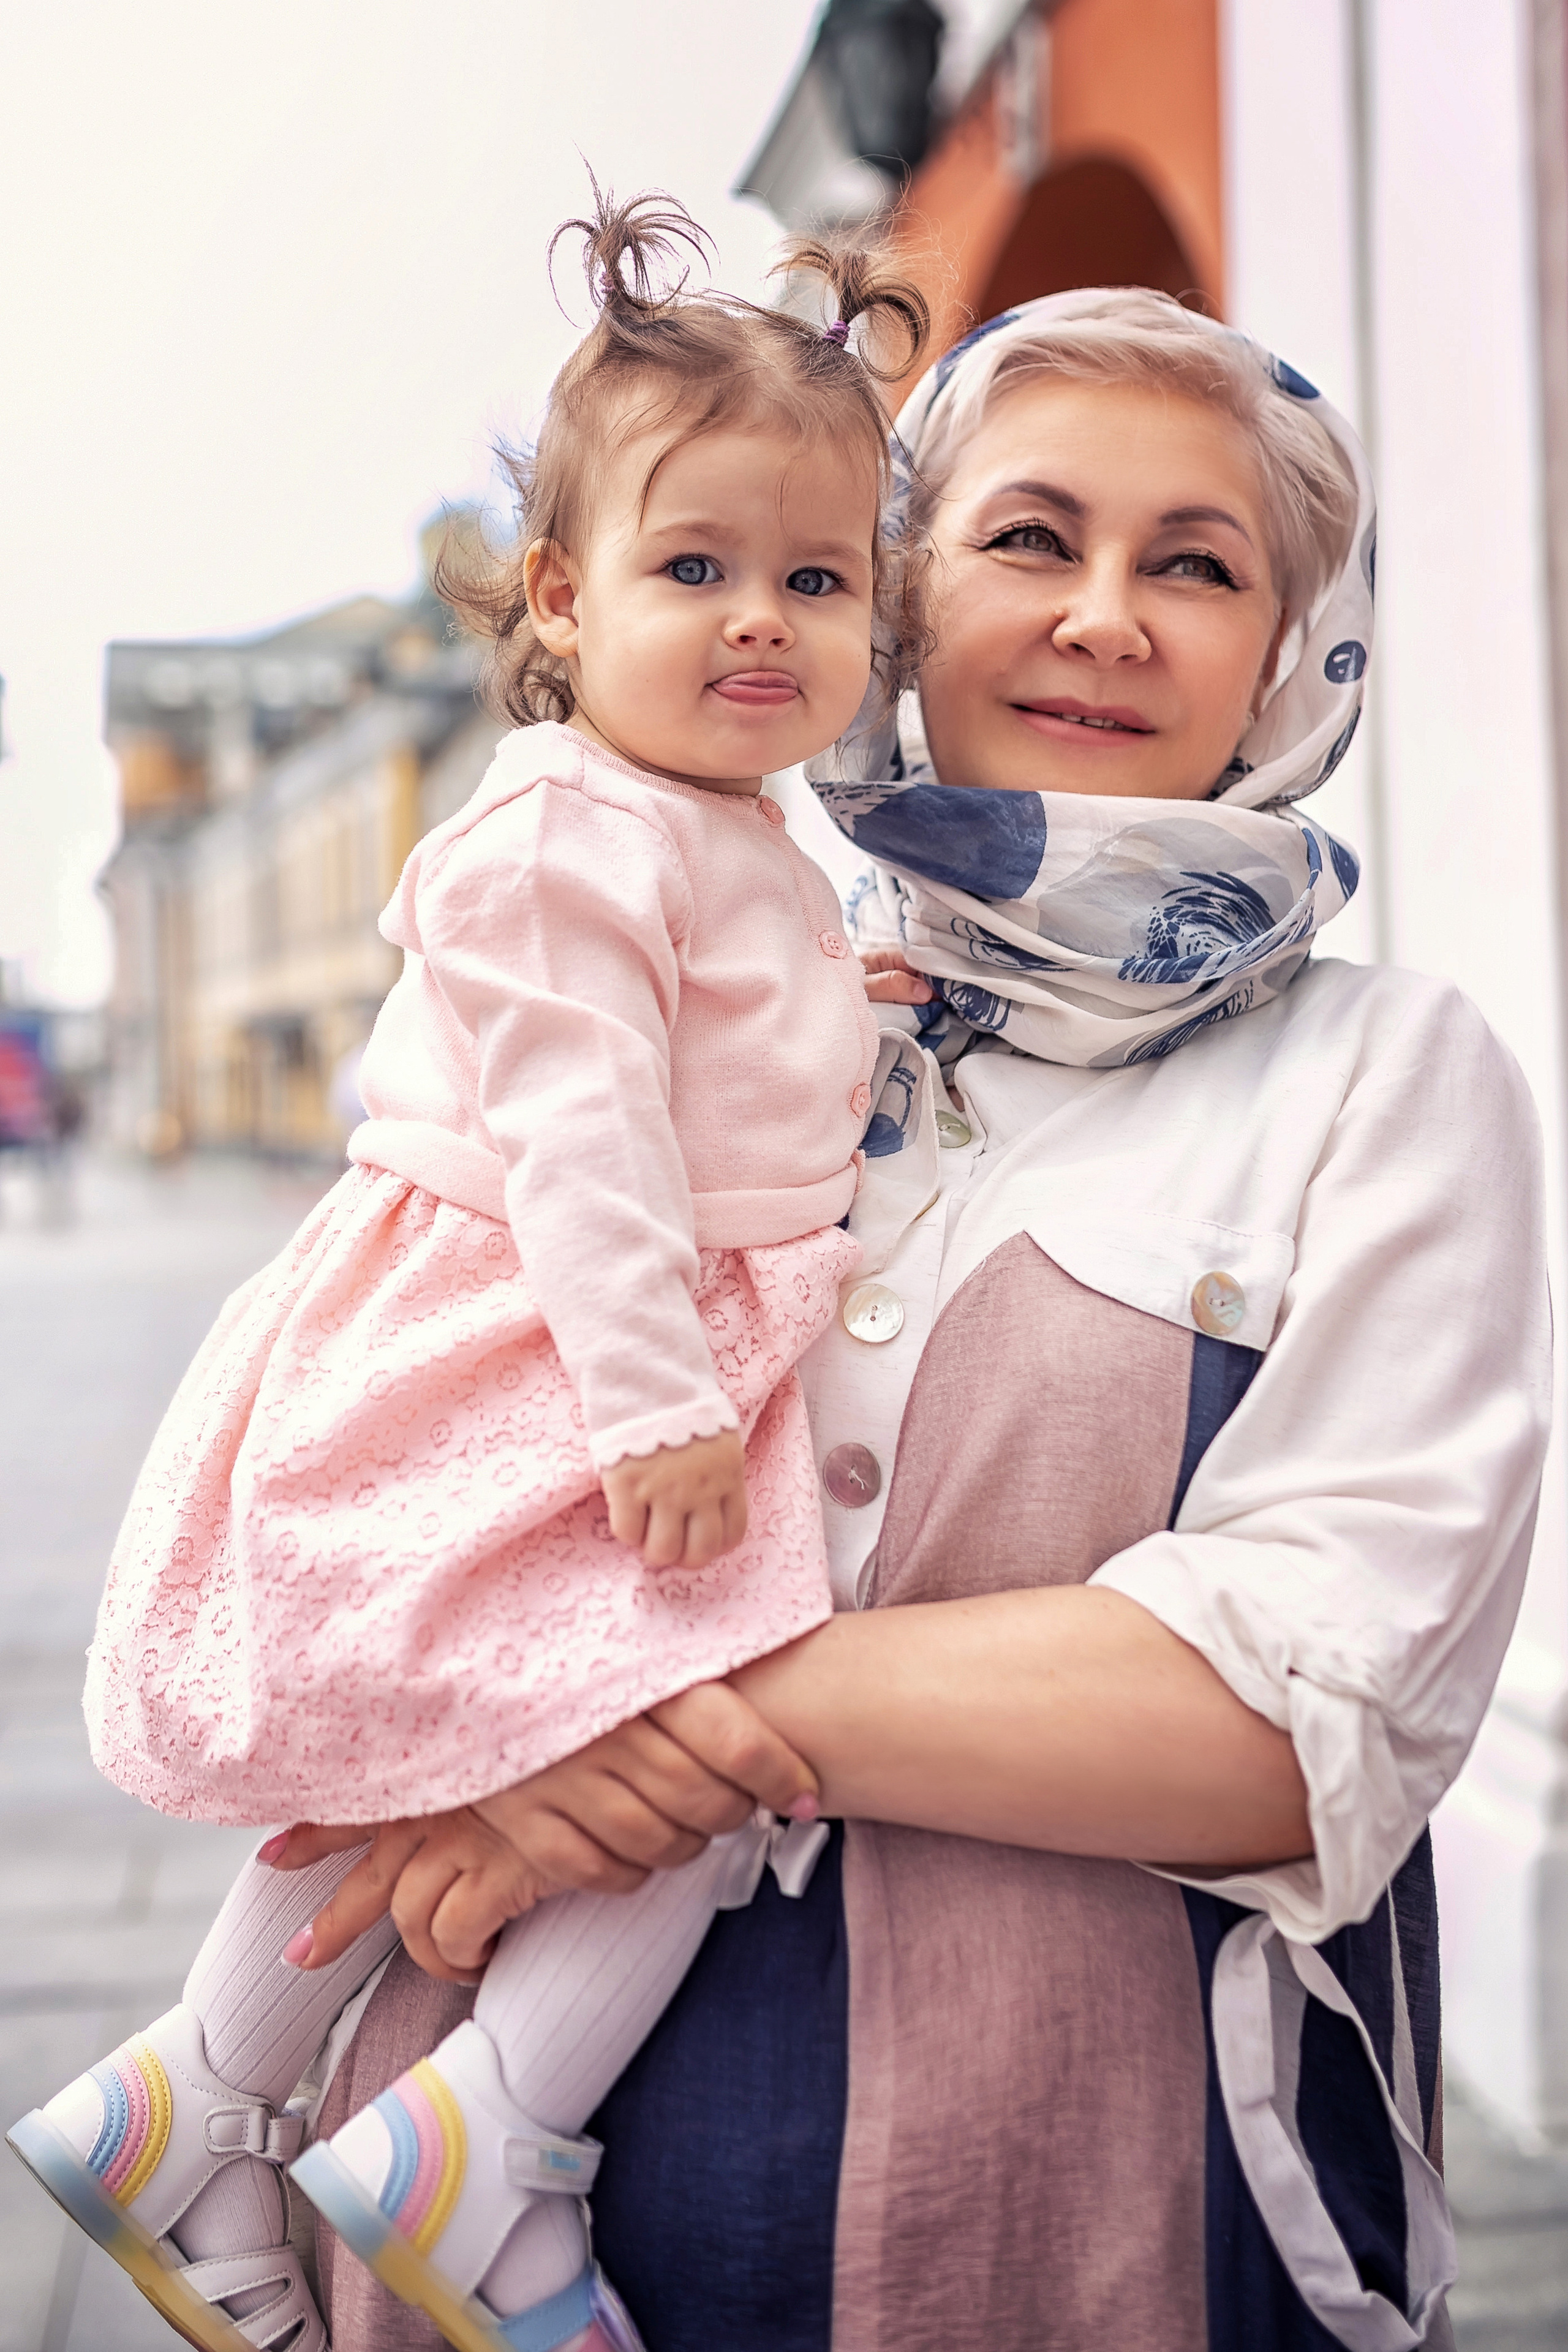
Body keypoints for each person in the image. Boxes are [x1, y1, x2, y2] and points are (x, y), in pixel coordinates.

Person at [279, 290, 1551, 2352]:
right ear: (899, 594)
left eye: (1200, 565)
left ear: (1287, 655)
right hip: (464, 2223)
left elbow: (1306, 1711)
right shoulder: (695, 992)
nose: (1109, 617)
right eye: (1030, 540)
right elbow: (369, 1428)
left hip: (1100, 2228)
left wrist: (622, 1712)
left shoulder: (1386, 1079)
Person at [7, 191, 932, 2352]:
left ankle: (196, 2096)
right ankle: (482, 2140)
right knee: (690, 1761)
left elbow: (730, 1067)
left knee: (488, 1739)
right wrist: (654, 1407)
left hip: (588, 1345)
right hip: (533, 1347)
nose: (757, 623)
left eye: (816, 579)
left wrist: (859, 995)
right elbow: (594, 1142)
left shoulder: (737, 838)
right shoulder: (557, 836)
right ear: (558, 596)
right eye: (690, 569)